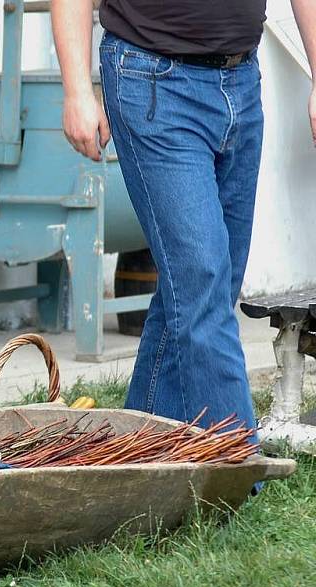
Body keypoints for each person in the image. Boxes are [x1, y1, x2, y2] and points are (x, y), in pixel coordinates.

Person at [52, 2, 316, 436]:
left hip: (241, 82)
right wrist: (77, 90)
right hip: (152, 78)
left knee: (203, 286)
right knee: (202, 281)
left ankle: (144, 445)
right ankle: (238, 464)